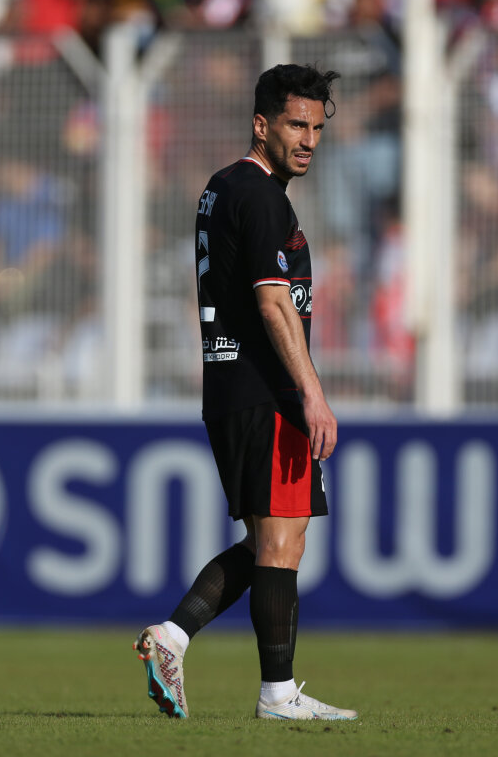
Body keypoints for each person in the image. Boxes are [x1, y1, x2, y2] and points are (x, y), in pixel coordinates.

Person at [132, 64, 356, 722]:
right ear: (262, 125)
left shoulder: (221, 187)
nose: (308, 140)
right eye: (295, 125)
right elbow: (272, 300)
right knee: (283, 543)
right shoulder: (260, 196)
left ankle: (172, 637)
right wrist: (311, 392)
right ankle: (277, 695)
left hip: (230, 385)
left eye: (316, 128)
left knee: (270, 543)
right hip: (267, 389)